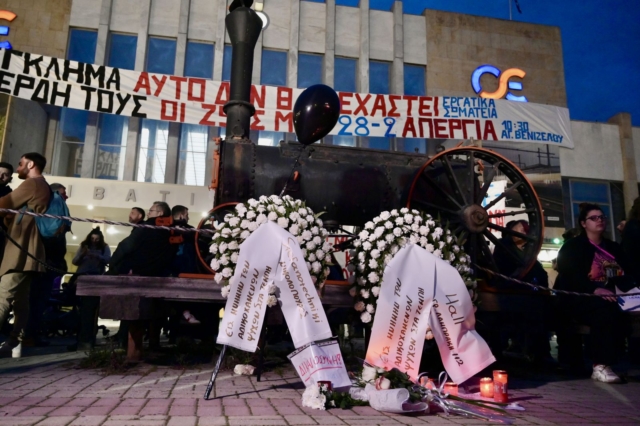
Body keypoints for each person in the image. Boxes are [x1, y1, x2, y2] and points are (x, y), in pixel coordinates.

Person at [555, 203, 629, 383]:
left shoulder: (612, 248)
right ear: (583, 223)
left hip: (609, 296)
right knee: (604, 311)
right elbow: (569, 275)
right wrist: (593, 289)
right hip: (578, 297)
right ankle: (600, 365)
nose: (599, 221)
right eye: (594, 218)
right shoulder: (573, 246)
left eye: (602, 217)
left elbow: (622, 274)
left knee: (619, 310)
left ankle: (611, 360)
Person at [0, 153, 51, 356]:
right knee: (21, 300)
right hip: (29, 251)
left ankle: (14, 343)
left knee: (3, 295)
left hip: (21, 250)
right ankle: (14, 343)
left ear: (30, 164)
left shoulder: (32, 184)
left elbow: (5, 203)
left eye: (20, 164)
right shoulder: (42, 185)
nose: (18, 168)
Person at [492, 220, 551, 364]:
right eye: (520, 230)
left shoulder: (528, 250)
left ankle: (537, 351)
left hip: (527, 292)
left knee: (542, 309)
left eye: (525, 231)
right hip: (508, 292)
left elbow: (540, 272)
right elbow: (503, 269)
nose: (523, 233)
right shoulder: (503, 247)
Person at [109, 201, 176, 277]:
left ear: (159, 213)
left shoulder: (145, 227)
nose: (148, 213)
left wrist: (112, 263)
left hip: (136, 273)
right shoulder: (171, 232)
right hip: (158, 276)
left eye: (151, 211)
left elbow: (126, 246)